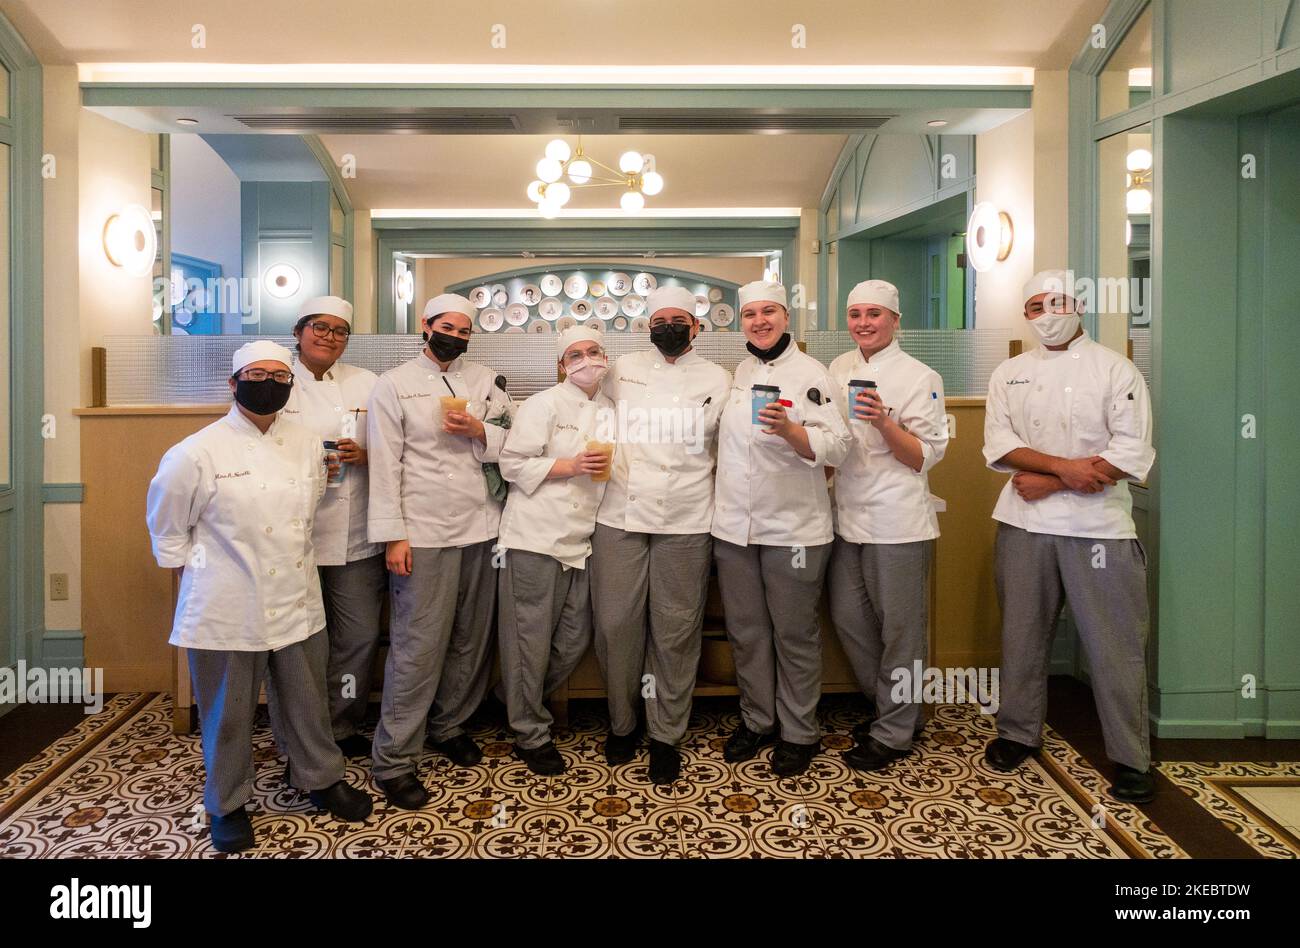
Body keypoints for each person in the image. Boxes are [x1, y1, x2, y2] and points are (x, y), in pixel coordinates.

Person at [146, 340, 373, 854]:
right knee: (228, 711)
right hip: (227, 604)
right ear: (233, 383)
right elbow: (168, 531)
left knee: (307, 700)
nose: (267, 384)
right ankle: (226, 802)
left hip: (296, 594)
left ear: (290, 386)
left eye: (278, 376)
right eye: (256, 375)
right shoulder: (194, 452)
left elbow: (312, 503)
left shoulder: (307, 441)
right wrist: (205, 577)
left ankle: (321, 778)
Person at [982, 269, 1156, 802]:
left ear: (1077, 305)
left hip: (1099, 528)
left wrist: (1050, 477)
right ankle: (1017, 732)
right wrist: (1066, 469)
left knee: (1115, 647)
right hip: (1023, 523)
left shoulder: (1116, 370)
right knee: (1021, 637)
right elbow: (1000, 443)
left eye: (1053, 303)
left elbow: (1129, 453)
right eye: (1033, 307)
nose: (1045, 315)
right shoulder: (1008, 372)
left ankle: (1131, 758)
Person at [366, 293, 514, 809]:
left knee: (472, 638)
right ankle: (394, 757)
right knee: (418, 645)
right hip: (422, 531)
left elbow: (509, 440)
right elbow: (384, 464)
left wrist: (480, 431)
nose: (455, 336)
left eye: (464, 330)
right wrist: (394, 535)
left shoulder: (485, 379)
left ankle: (448, 725)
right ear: (425, 327)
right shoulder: (394, 384)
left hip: (482, 525)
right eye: (446, 327)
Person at [711, 280, 852, 776]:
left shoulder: (813, 374)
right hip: (733, 528)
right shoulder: (742, 372)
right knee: (747, 632)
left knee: (794, 632)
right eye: (750, 315)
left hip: (795, 529)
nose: (759, 321)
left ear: (787, 317)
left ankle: (799, 731)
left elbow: (840, 446)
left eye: (768, 312)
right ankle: (756, 720)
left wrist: (794, 431)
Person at [591, 285, 730, 784]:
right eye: (659, 320)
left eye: (678, 320)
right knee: (615, 623)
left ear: (697, 327)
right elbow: (584, 407)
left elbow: (729, 445)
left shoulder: (720, 377)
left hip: (688, 516)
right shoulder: (620, 369)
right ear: (646, 327)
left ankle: (666, 733)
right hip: (619, 512)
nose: (667, 328)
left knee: (675, 628)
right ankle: (623, 723)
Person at [826, 280, 949, 771]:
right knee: (849, 621)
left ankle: (895, 731)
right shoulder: (838, 368)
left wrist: (882, 421)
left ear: (895, 320)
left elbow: (923, 457)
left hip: (898, 521)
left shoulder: (922, 375)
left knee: (901, 631)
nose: (864, 323)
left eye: (874, 314)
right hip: (845, 515)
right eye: (855, 314)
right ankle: (896, 710)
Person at [496, 325, 617, 776]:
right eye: (575, 356)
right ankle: (529, 729)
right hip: (534, 536)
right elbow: (512, 463)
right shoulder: (542, 404)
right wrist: (570, 466)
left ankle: (514, 695)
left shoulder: (609, 408)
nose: (586, 361)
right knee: (529, 642)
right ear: (562, 365)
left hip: (581, 538)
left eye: (593, 352)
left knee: (572, 638)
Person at [282, 296, 385, 759]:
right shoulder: (276, 377)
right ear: (299, 331)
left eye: (339, 331)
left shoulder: (367, 383)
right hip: (294, 533)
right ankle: (303, 735)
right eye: (319, 328)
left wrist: (365, 455)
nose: (328, 337)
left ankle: (341, 726)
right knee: (302, 642)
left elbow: (393, 446)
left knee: (358, 635)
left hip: (355, 530)